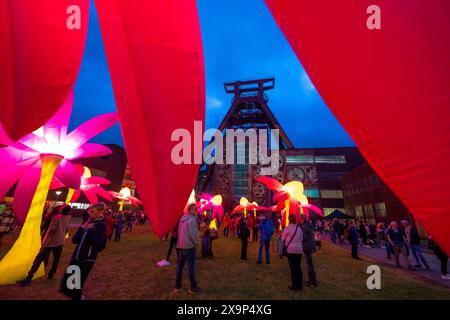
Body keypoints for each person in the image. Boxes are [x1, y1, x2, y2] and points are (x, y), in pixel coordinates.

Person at [60, 202, 107, 300]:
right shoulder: (87, 222)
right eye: (89, 210)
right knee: (68, 283)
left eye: (93, 211)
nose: (90, 213)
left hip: (86, 259)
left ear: (100, 212)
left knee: (77, 283)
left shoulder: (101, 225)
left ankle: (78, 297)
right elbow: (74, 240)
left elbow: (98, 244)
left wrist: (90, 232)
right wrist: (82, 228)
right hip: (76, 257)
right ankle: (78, 296)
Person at [17, 205, 72, 286]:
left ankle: (28, 278)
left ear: (61, 209)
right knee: (56, 259)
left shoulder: (57, 217)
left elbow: (51, 232)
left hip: (50, 243)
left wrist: (44, 244)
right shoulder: (69, 217)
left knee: (38, 259)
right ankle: (51, 274)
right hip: (60, 242)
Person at [174, 203, 201, 293]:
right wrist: (195, 243)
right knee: (191, 267)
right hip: (189, 246)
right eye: (194, 209)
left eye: (196, 209)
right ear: (190, 210)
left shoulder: (182, 218)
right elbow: (192, 234)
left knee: (180, 266)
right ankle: (193, 287)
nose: (195, 210)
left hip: (180, 245)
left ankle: (178, 285)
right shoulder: (192, 219)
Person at [282, 214, 303, 291]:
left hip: (291, 250)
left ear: (289, 219)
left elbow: (282, 238)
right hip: (299, 250)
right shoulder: (299, 228)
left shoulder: (287, 228)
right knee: (298, 267)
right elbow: (301, 238)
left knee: (293, 268)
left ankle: (295, 286)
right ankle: (300, 285)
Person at [300, 215, 317, 288]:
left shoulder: (304, 226)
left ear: (301, 219)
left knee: (310, 265)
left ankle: (313, 282)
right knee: (310, 264)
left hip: (308, 246)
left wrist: (299, 238)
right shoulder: (308, 224)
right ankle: (311, 280)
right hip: (311, 245)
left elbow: (304, 237)